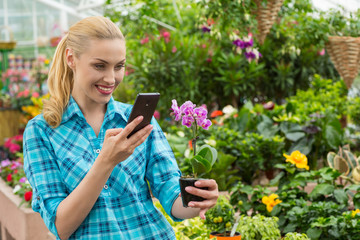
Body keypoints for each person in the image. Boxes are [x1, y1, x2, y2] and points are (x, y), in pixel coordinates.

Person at [23, 16, 219, 240]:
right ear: (71, 59)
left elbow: (170, 192)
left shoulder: (135, 120)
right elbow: (61, 226)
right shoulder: (41, 131)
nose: (110, 78)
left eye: (119, 66)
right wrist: (106, 161)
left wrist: (197, 200)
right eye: (99, 65)